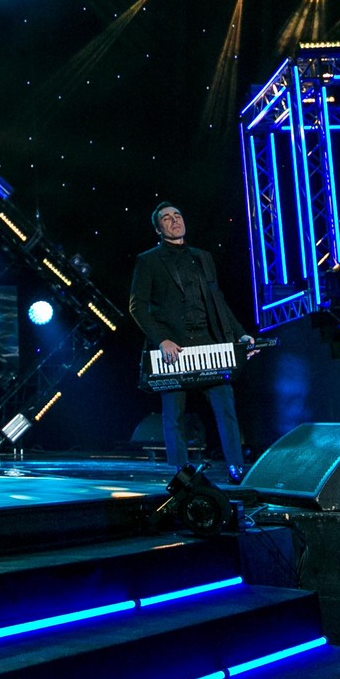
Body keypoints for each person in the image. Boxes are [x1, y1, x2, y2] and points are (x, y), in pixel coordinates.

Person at [128, 201, 250, 481]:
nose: (174, 220)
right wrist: (162, 340)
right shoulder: (148, 261)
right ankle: (181, 473)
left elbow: (218, 301)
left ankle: (236, 467)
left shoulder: (203, 257)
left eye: (177, 215)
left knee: (226, 408)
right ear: (158, 229)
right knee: (174, 415)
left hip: (209, 344)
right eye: (166, 218)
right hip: (175, 348)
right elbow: (137, 307)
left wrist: (239, 332)